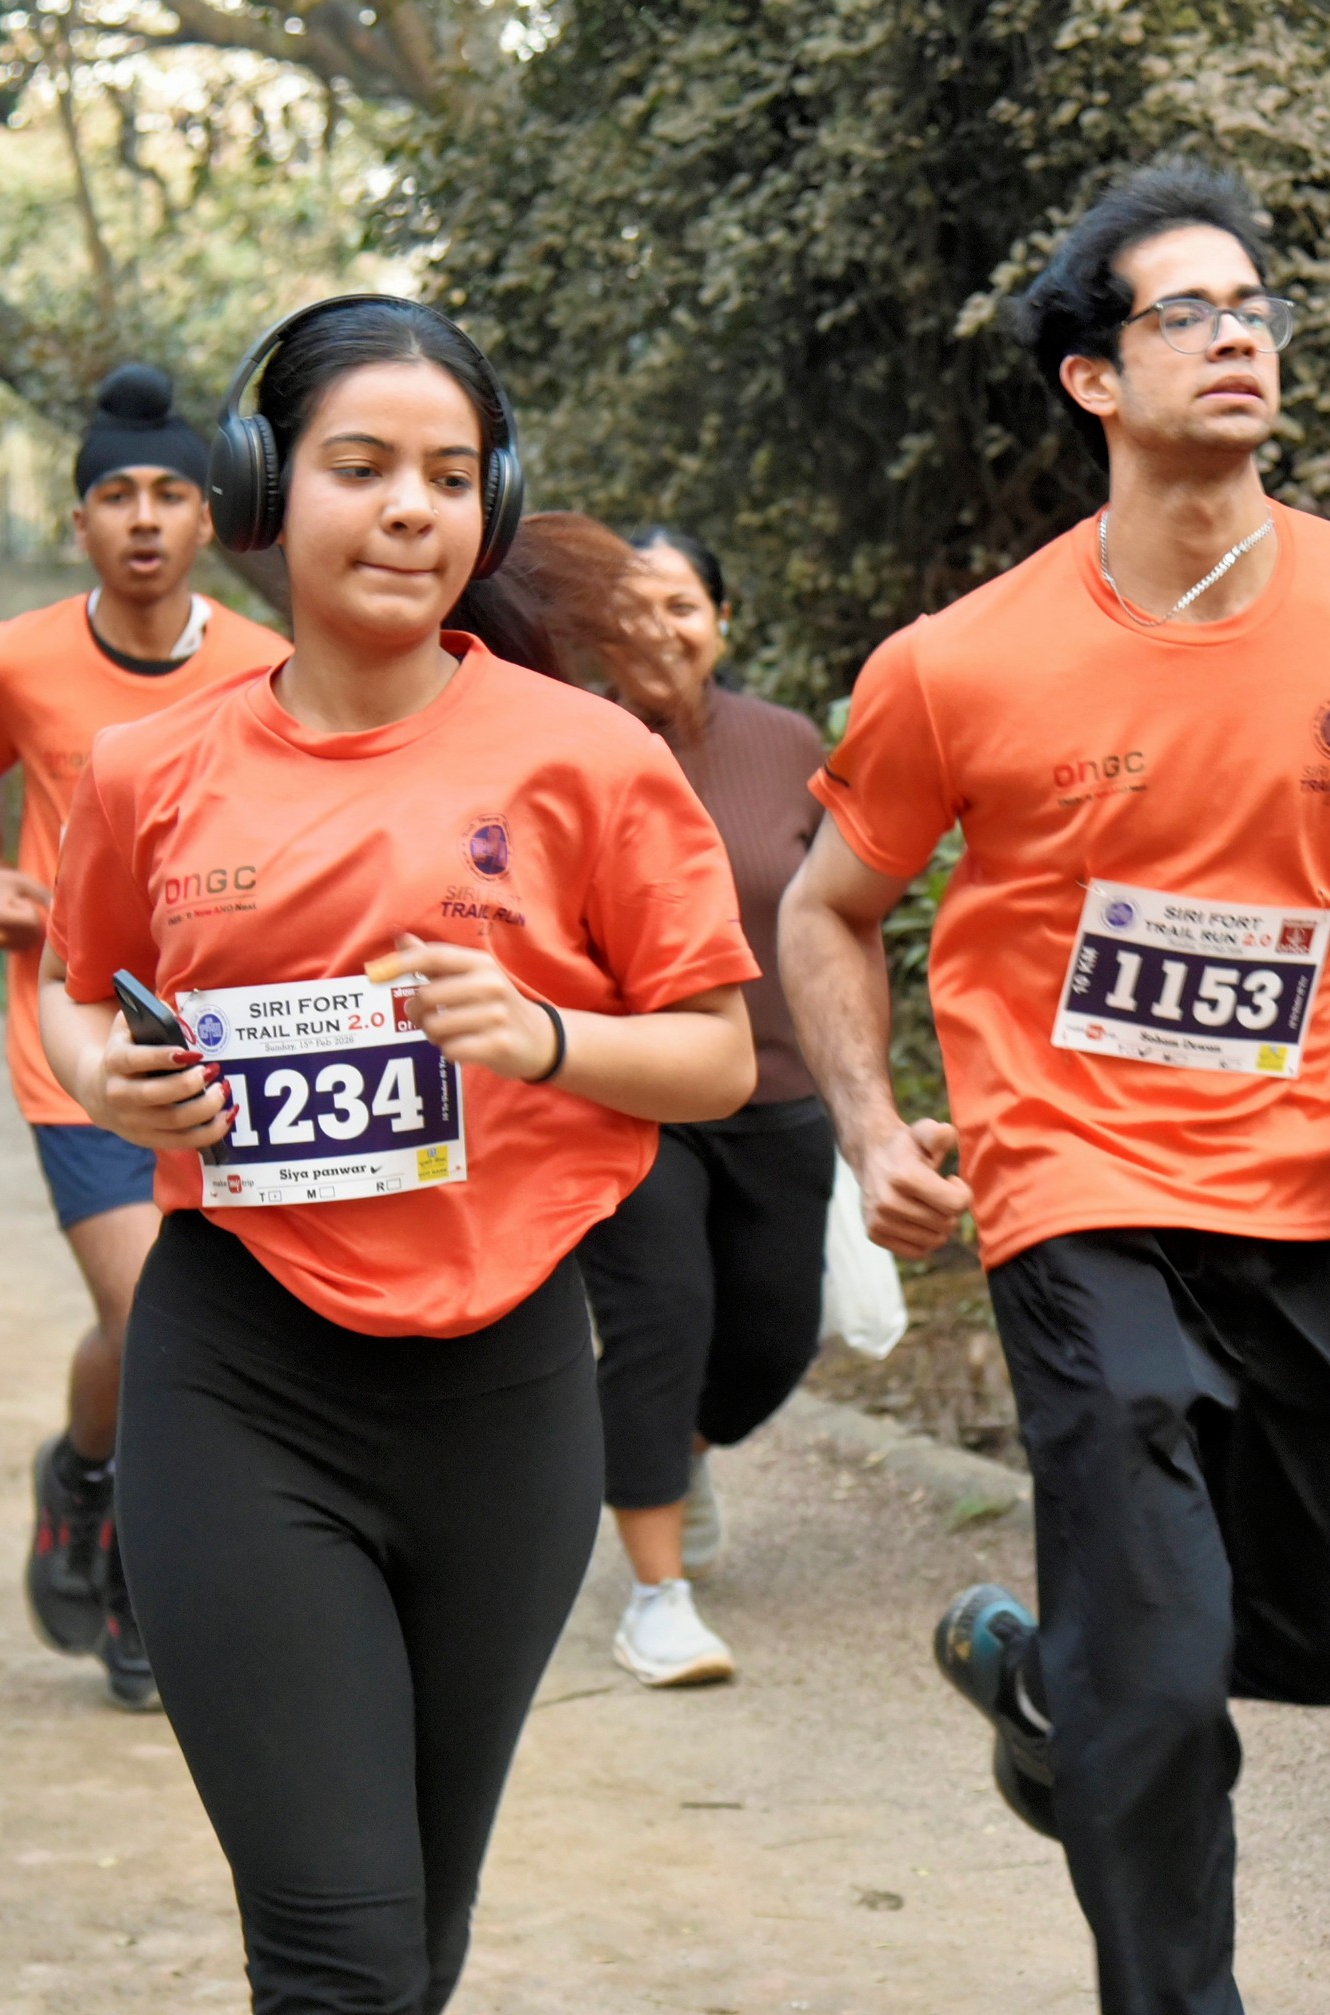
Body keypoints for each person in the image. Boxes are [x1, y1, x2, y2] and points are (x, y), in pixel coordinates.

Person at [779, 162, 1330, 2015]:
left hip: (1301, 1170)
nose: (1237, 335)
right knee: (1161, 1678)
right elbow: (827, 904)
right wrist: (869, 1128)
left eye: (1254, 306)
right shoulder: (958, 663)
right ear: (1092, 377)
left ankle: (1047, 1685)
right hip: (1069, 1177)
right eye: (1186, 312)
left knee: (1315, 1639)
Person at [37, 295, 759, 2014]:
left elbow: (718, 1056)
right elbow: (74, 993)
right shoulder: (149, 768)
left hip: (505, 1394)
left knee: (412, 1942)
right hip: (239, 1374)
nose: (408, 508)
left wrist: (543, 1036)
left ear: (488, 504)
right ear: (263, 487)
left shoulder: (588, 759)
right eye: (360, 466)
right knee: (338, 1959)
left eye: (447, 474)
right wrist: (112, 1082)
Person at [0, 361, 286, 1708]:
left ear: (208, 517)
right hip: (74, 1033)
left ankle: (82, 1467)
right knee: (150, 1309)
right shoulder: (13, 659)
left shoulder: (264, 665)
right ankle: (146, 1583)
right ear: (77, 519)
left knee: (172, 1319)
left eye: (169, 495)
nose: (143, 518)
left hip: (227, 1038)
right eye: (115, 496)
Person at [568, 525, 833, 1687]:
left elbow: (831, 920)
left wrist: (863, 1088)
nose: (657, 628)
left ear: (722, 621)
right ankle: (655, 1595)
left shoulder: (789, 745)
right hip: (631, 1092)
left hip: (777, 1090)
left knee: (776, 1333)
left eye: (681, 605)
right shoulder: (563, 747)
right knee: (659, 1318)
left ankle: (672, 1448)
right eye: (630, 607)